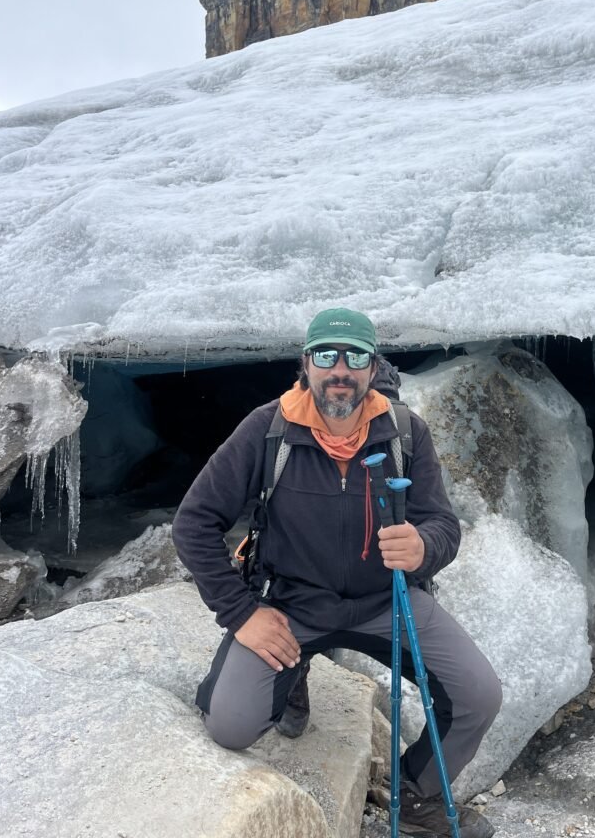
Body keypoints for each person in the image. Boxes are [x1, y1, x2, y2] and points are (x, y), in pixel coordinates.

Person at [172, 308, 502, 837]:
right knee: (231, 726)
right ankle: (292, 671)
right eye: (326, 356)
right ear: (306, 364)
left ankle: (419, 800)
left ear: (374, 368)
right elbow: (193, 523)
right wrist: (242, 614)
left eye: (356, 357)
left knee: (478, 696)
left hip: (386, 602)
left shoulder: (404, 433)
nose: (340, 370)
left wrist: (423, 547)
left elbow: (443, 523)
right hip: (291, 605)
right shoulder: (267, 430)